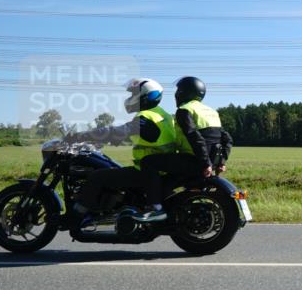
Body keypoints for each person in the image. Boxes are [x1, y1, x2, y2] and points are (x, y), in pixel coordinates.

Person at [70, 78, 177, 224]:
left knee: (97, 177)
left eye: (134, 94)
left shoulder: (145, 117)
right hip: (162, 169)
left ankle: (77, 218)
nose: (131, 98)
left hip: (147, 172)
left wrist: (81, 136)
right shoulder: (163, 115)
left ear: (147, 95)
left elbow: (119, 131)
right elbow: (141, 137)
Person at [136, 76, 232, 222]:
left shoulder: (184, 110)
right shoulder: (211, 112)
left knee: (148, 162)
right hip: (209, 160)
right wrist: (221, 161)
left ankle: (155, 207)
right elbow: (227, 139)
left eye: (178, 90)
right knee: (168, 179)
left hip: (194, 160)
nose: (176, 94)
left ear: (184, 92)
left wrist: (205, 163)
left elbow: (194, 137)